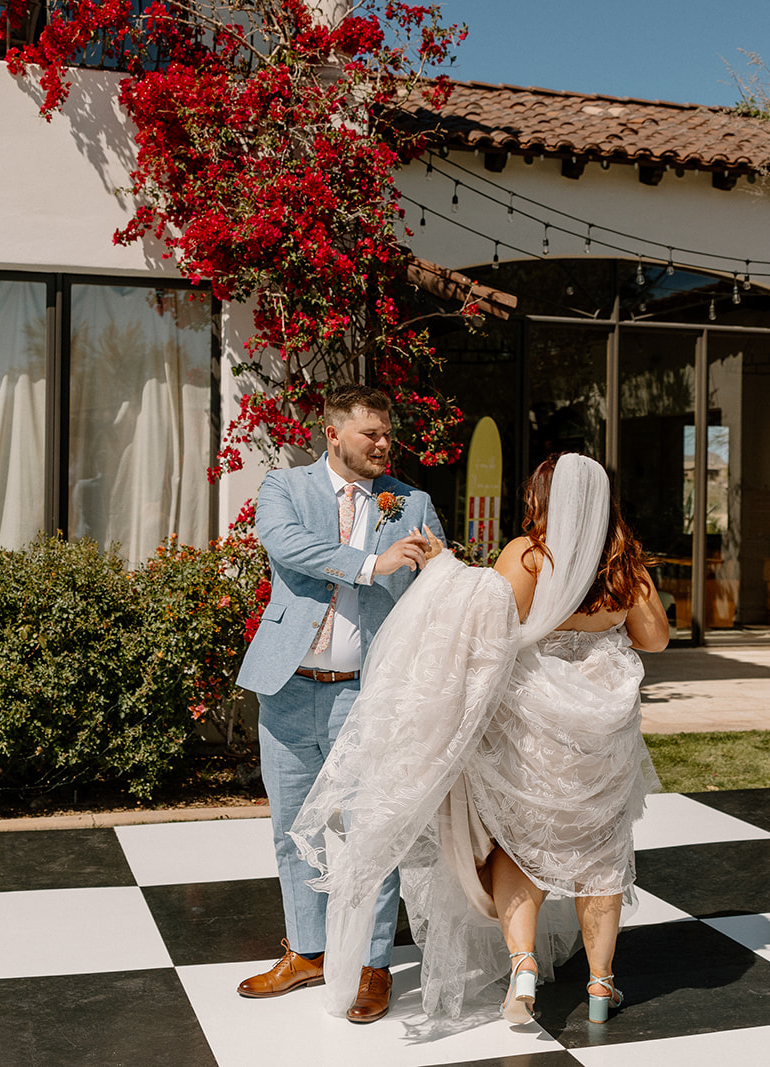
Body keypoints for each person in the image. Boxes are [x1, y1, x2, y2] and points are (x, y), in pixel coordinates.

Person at [291, 452, 669, 1024]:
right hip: (600, 739)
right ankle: (599, 986)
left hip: (535, 733)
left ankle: (522, 968)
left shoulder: (529, 554)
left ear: (546, 499)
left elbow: (489, 625)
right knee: (600, 856)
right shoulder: (625, 568)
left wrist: (444, 569)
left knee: (517, 843)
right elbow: (656, 639)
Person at [233, 383, 443, 1025]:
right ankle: (309, 952)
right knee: (291, 828)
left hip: (365, 692)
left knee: (368, 833)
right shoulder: (284, 489)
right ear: (333, 433)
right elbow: (287, 548)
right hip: (288, 687)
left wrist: (435, 567)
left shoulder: (414, 502)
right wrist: (372, 562)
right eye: (370, 435)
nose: (383, 445)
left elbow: (437, 584)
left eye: (387, 434)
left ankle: (375, 965)